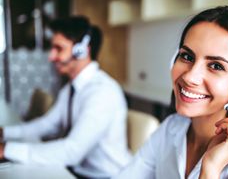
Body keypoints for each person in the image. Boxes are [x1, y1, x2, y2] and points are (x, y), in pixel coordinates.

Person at [115, 6, 228, 179]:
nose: (190, 77)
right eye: (187, 56)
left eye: (216, 66)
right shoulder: (172, 127)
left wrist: (211, 167)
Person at [0, 16, 132, 178]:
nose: (51, 56)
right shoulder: (71, 88)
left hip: (105, 176)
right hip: (77, 172)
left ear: (82, 50)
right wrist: (4, 133)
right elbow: (47, 124)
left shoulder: (102, 92)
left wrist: (6, 149)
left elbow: (71, 151)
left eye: (59, 48)